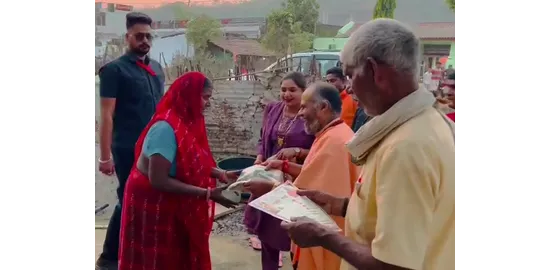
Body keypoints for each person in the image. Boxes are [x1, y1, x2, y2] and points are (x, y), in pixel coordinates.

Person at [280, 19, 456, 270]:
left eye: (350, 74)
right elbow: (405, 215)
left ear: (375, 72)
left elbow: (394, 265)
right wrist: (340, 205)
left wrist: (324, 237)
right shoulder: (429, 124)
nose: (349, 88)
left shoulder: (404, 148)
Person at [118, 72, 240, 270]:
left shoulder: (186, 123)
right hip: (152, 202)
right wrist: (208, 194)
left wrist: (220, 174)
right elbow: (158, 179)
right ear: (188, 95)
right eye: (205, 97)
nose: (207, 103)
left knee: (176, 253)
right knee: (155, 257)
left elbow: (189, 161)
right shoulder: (165, 129)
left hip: (171, 198)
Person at [245, 82, 359, 270]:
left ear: (323, 107)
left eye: (304, 107)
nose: (299, 113)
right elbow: (313, 173)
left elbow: (313, 200)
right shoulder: (331, 134)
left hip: (325, 248)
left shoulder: (334, 144)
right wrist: (284, 165)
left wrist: (268, 189)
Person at [96, 12, 165, 270]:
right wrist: (105, 156)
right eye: (139, 36)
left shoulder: (157, 68)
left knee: (149, 198)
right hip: (126, 147)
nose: (144, 40)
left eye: (148, 36)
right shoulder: (114, 71)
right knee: (127, 198)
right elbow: (106, 115)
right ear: (128, 37)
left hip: (154, 147)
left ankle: (139, 252)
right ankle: (109, 258)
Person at [246, 71, 315, 269]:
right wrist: (260, 156)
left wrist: (297, 151)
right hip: (270, 180)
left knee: (294, 232)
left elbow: (320, 149)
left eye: (292, 90)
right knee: (268, 229)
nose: (286, 94)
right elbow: (262, 138)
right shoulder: (273, 109)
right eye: (283, 90)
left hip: (295, 181)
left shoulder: (309, 114)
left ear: (304, 91)